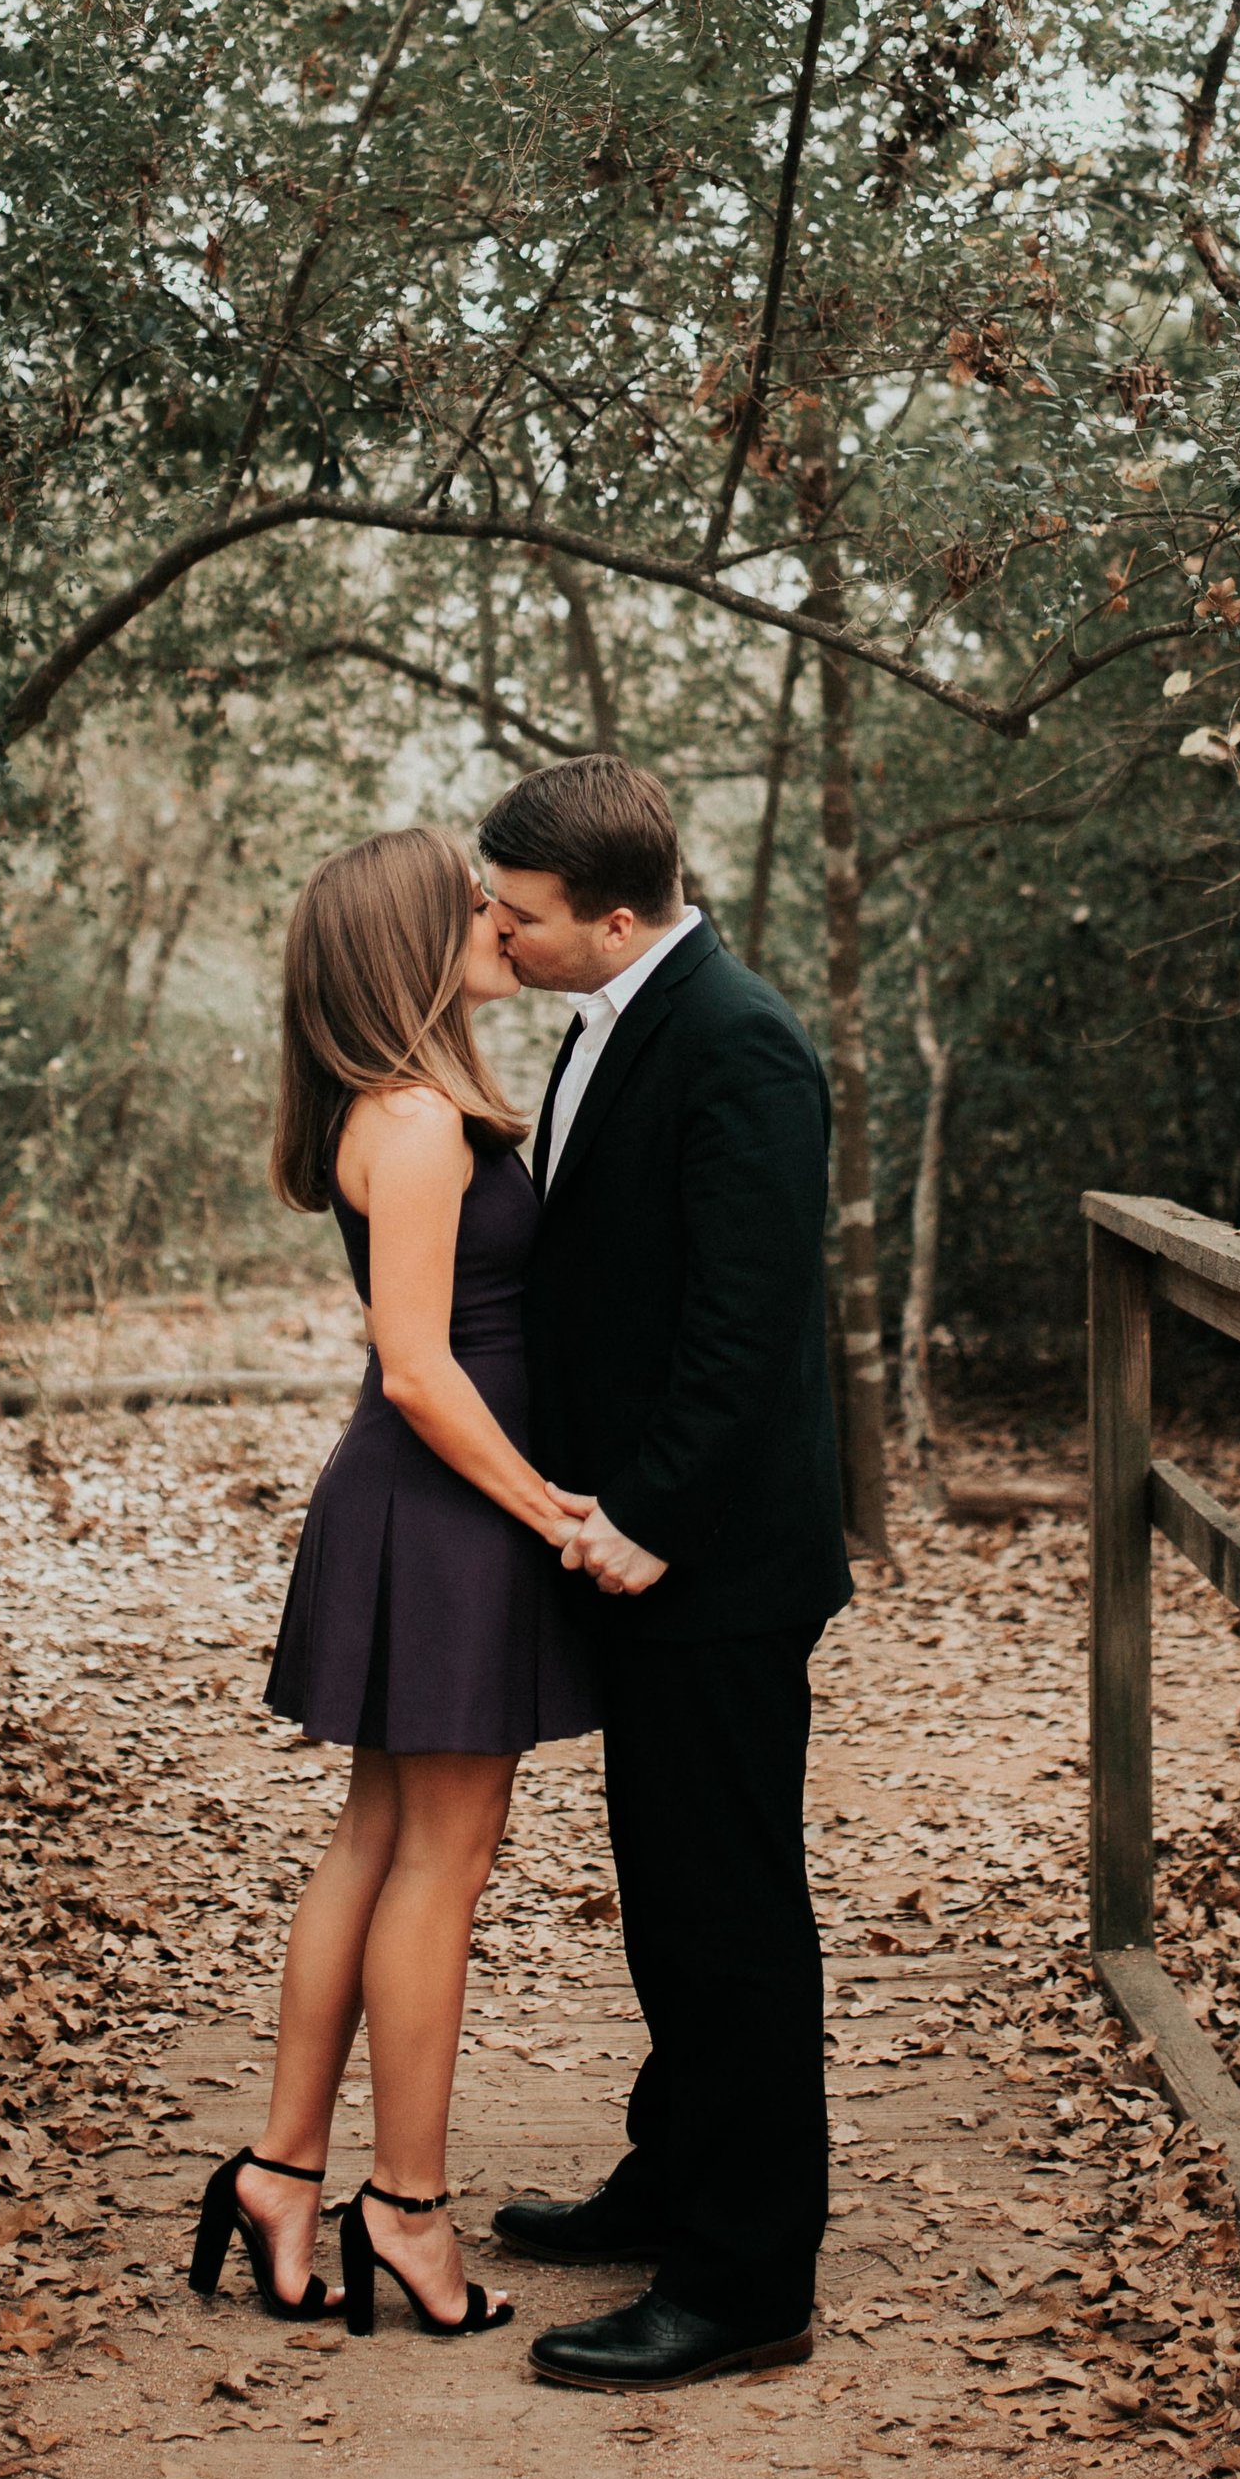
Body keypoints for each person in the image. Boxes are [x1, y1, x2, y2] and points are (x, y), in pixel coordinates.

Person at [189, 825, 597, 2344]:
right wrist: (546, 1508)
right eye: (469, 905)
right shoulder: (420, 1120)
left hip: (419, 1502)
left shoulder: (406, 1104)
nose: (496, 918)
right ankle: (405, 2210)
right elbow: (421, 1369)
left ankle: (284, 2174)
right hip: (443, 1503)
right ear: (409, 944)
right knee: (443, 1852)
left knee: (378, 1834)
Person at [477, 752, 851, 2392]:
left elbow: (745, 1327)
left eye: (520, 914)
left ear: (615, 914)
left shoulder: (743, 1043)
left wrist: (646, 1510)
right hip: (640, 1553)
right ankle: (672, 2171)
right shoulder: (609, 1015)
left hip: (710, 1562)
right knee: (670, 1895)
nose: (496, 933)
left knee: (732, 1913)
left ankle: (747, 2277)